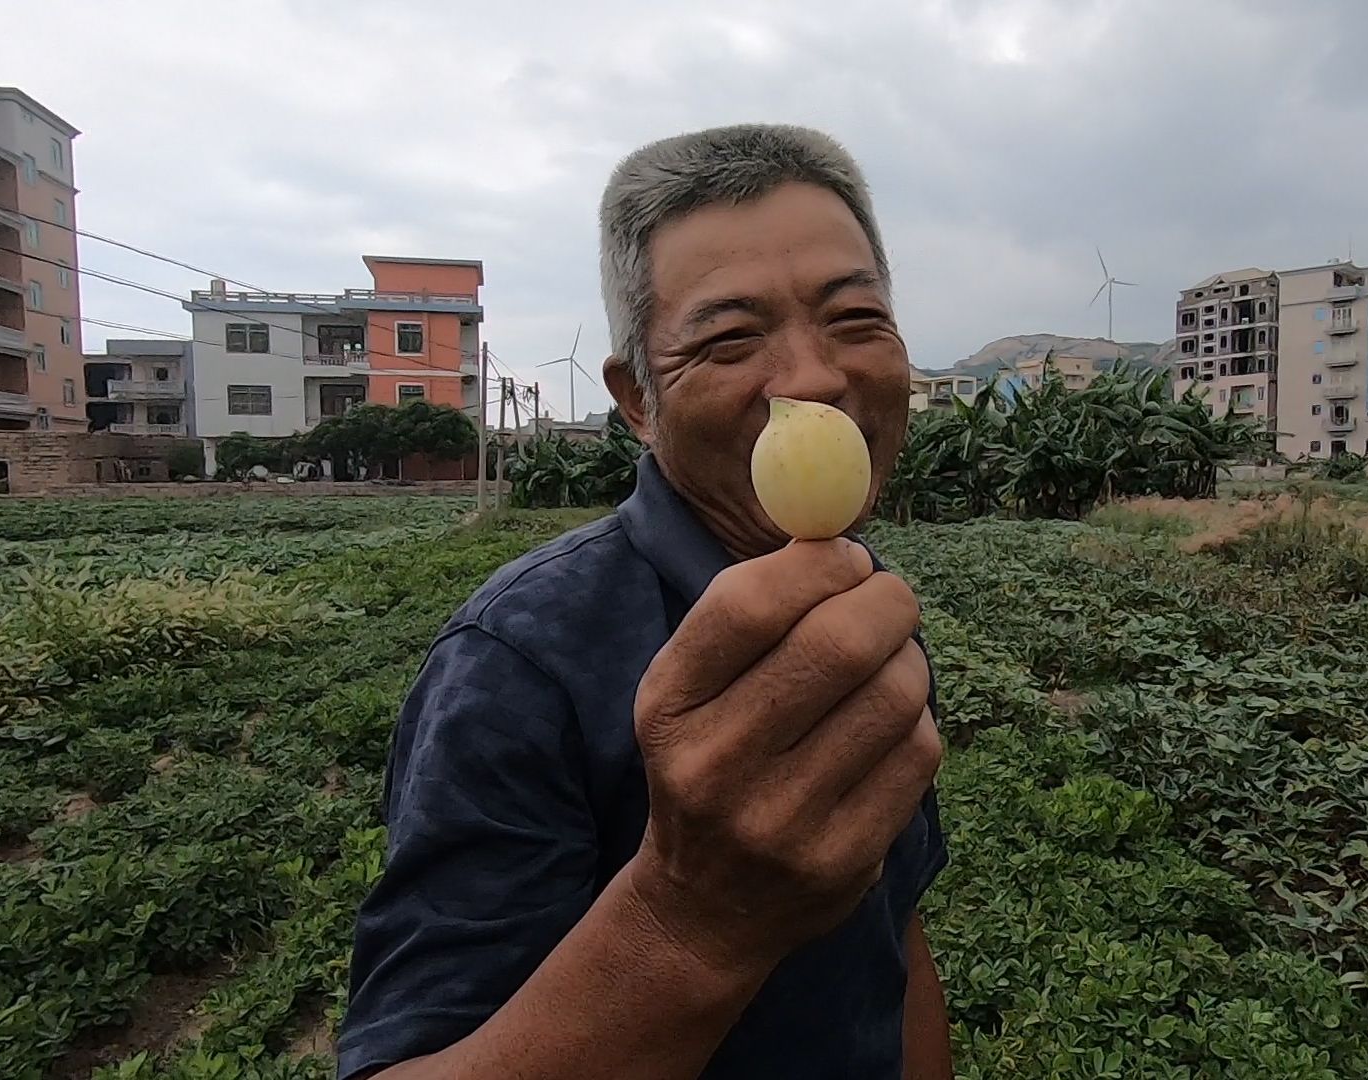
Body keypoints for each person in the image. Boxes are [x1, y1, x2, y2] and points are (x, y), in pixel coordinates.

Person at [337, 123, 950, 1080]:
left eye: (856, 318)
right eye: (731, 337)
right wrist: (690, 920)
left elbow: (893, 939)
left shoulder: (862, 605)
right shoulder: (515, 664)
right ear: (636, 397)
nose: (816, 379)